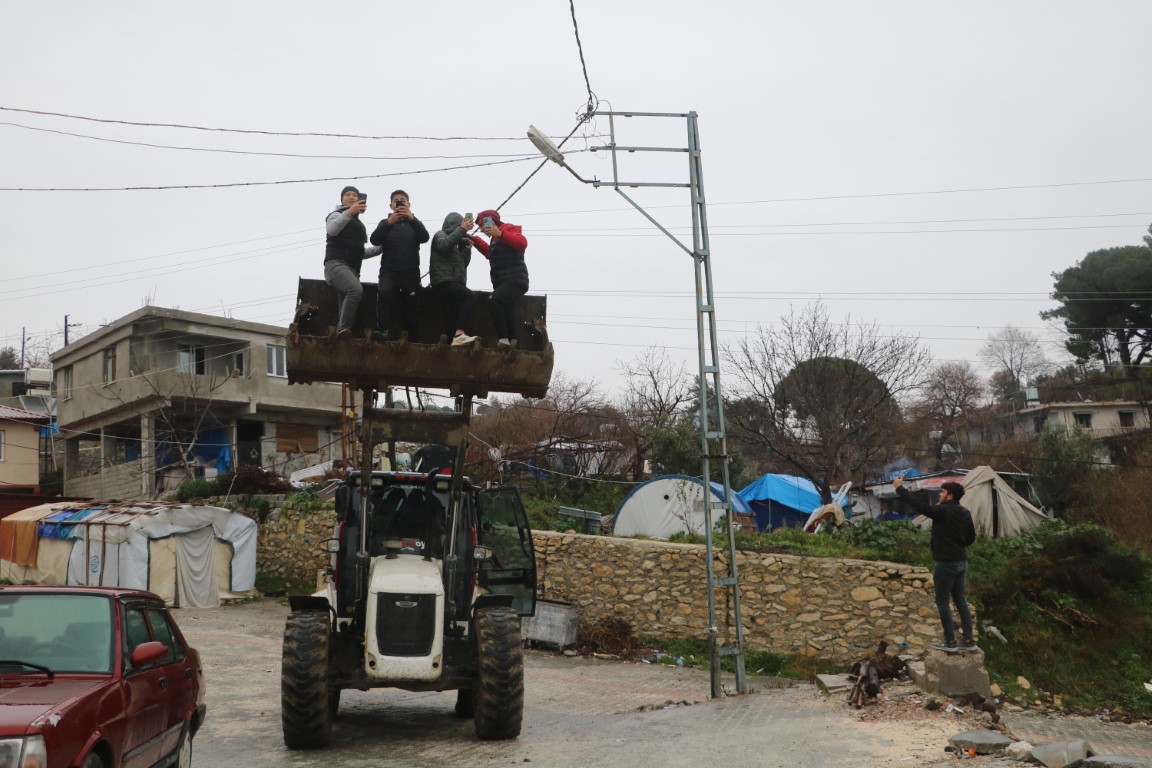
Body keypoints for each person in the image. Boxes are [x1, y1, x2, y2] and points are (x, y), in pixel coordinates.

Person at [893, 475, 978, 651]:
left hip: (945, 563)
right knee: (960, 600)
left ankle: (950, 641)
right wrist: (957, 545)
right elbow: (971, 538)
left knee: (942, 601)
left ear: (950, 496)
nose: (940, 495)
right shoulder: (965, 512)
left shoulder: (942, 512)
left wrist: (900, 489)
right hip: (961, 561)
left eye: (943, 492)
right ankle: (968, 640)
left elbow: (919, 506)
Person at [370, 190, 429, 341]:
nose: (399, 202)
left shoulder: (415, 223)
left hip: (411, 273)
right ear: (391, 205)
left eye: (403, 200)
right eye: (396, 200)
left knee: (412, 306)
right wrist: (389, 222)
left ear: (409, 204)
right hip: (389, 272)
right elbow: (374, 240)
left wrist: (412, 218)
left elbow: (425, 237)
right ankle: (383, 330)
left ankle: (413, 339)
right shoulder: (385, 223)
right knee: (384, 293)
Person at [324, 186, 382, 338]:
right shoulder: (336, 214)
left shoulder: (359, 225)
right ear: (342, 199)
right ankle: (344, 331)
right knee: (355, 290)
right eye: (347, 195)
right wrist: (349, 212)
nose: (351, 197)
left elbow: (359, 252)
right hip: (335, 264)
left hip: (352, 269)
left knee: (344, 305)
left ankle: (339, 338)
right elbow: (332, 230)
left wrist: (381, 248)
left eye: (355, 195)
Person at [471, 209, 528, 349]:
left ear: (491, 221)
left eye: (483, 225)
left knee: (495, 300)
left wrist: (501, 234)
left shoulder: (508, 229)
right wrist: (474, 240)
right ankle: (512, 343)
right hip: (503, 282)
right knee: (507, 310)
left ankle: (503, 339)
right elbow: (490, 254)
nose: (482, 229)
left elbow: (522, 243)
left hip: (515, 279)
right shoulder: (494, 240)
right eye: (480, 227)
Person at [429, 212, 480, 346]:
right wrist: (462, 229)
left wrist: (467, 249)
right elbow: (443, 245)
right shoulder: (440, 234)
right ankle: (459, 333)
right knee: (471, 296)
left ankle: (452, 341)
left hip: (454, 283)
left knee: (452, 315)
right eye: (460, 224)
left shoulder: (455, 245)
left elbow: (462, 265)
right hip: (443, 282)